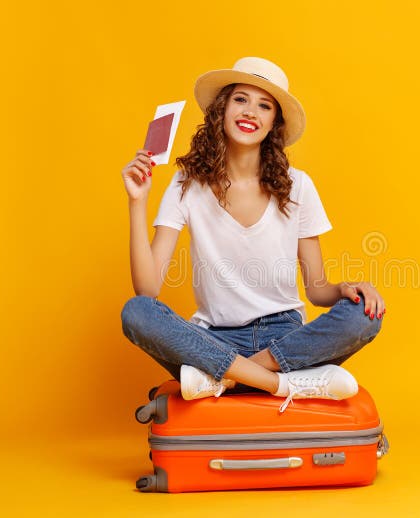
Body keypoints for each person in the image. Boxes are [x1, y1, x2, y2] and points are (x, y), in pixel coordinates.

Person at [120, 57, 385, 412]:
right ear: (223, 108)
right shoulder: (187, 184)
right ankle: (279, 384)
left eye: (265, 105)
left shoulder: (299, 186)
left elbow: (317, 289)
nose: (251, 112)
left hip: (284, 338)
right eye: (241, 99)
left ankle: (226, 379)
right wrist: (137, 203)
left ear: (274, 122)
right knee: (137, 312)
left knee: (364, 315)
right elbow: (148, 290)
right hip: (211, 338)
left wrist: (346, 290)